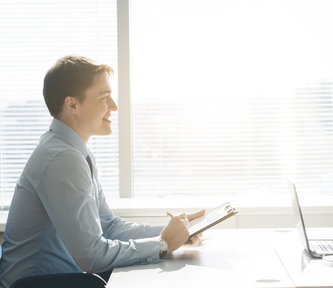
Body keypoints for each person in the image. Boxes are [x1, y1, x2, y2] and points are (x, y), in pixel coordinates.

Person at [0, 56, 205, 288]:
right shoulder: (62, 158)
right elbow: (92, 256)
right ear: (72, 105)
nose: (114, 106)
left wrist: (174, 233)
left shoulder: (76, 151)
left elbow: (108, 225)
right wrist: (163, 243)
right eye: (104, 98)